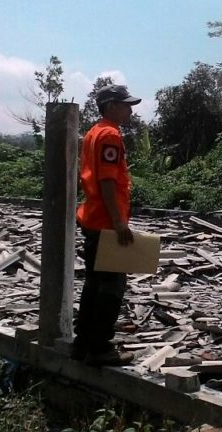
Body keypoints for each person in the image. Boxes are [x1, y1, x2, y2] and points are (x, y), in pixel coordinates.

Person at [72, 84, 141, 366]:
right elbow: (107, 180)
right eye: (126, 105)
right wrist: (118, 221)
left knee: (94, 283)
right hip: (105, 222)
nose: (130, 111)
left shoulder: (94, 132)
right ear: (111, 106)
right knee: (112, 287)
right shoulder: (110, 134)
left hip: (93, 218)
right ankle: (99, 347)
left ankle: (83, 343)